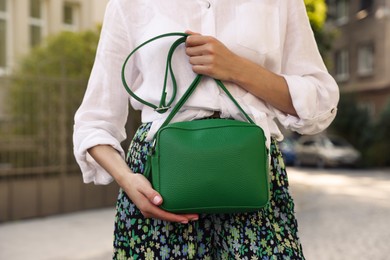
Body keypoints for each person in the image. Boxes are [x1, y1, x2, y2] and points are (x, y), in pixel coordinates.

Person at [73, 0, 339, 259]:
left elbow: (320, 103)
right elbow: (95, 120)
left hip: (250, 174)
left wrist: (237, 68)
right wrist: (127, 180)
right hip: (161, 184)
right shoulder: (129, 4)